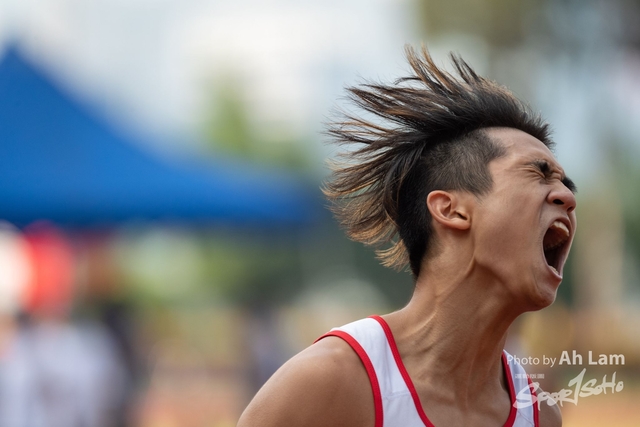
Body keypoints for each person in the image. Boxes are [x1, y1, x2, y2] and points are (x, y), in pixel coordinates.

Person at [237, 45, 576, 427]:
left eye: (567, 184)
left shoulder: (540, 414)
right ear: (451, 209)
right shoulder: (330, 383)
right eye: (538, 173)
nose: (567, 197)